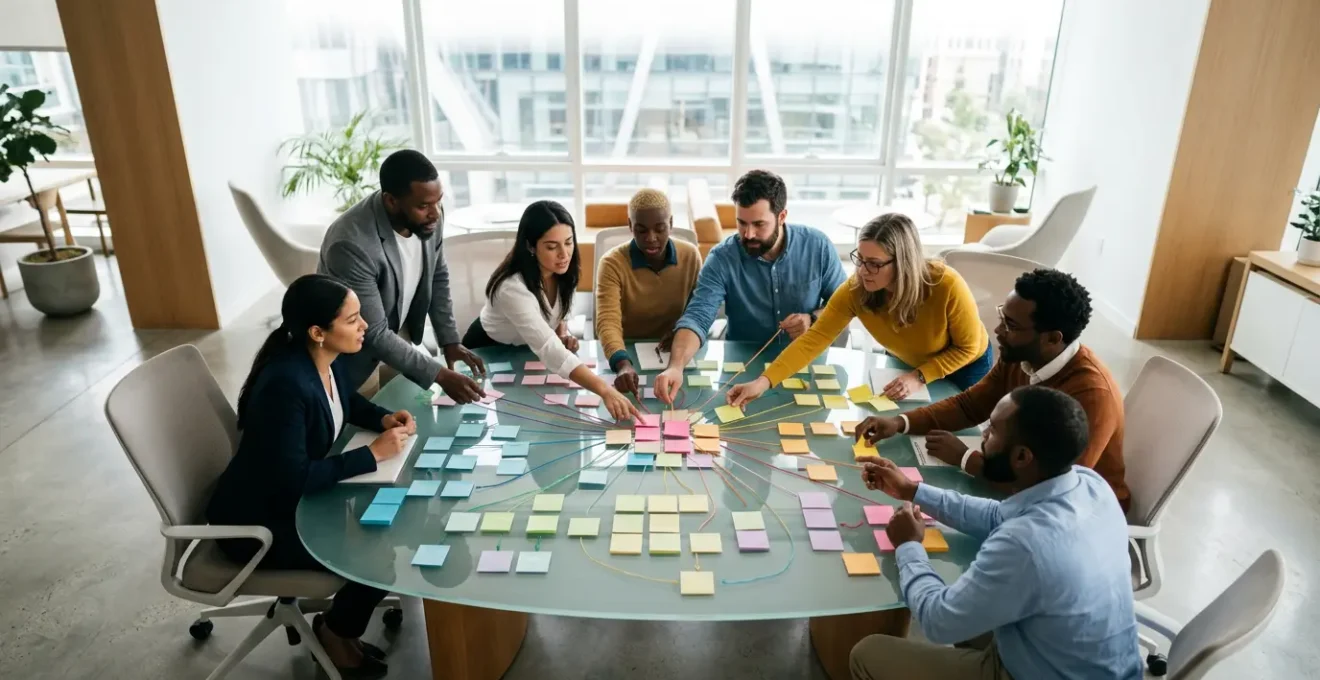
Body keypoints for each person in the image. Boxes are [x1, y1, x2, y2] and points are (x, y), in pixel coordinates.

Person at [852, 386, 1142, 680]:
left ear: (1021, 457)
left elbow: (937, 622)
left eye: (993, 430)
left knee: (867, 654)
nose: (984, 435)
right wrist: (912, 491)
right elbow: (995, 514)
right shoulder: (1088, 483)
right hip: (1087, 659)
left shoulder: (1026, 544)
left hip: (1040, 673)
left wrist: (909, 546)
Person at [207, 274, 414, 678]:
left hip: (296, 499)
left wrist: (382, 417)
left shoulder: (322, 360)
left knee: (392, 522)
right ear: (318, 331)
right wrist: (371, 455)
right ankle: (334, 633)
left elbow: (346, 401)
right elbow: (294, 479)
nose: (364, 326)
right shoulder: (285, 386)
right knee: (376, 549)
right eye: (353, 320)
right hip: (260, 521)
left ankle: (342, 628)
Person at [855, 268, 1130, 509]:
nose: (997, 331)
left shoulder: (1093, 396)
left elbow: (1055, 490)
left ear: (1052, 339)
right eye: (1002, 316)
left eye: (1011, 325)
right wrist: (900, 422)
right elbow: (969, 405)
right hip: (1017, 486)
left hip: (1079, 513)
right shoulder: (1021, 355)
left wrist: (967, 460)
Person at [726, 213, 990, 407]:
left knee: (954, 430)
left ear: (903, 263)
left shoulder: (946, 284)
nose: (863, 271)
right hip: (907, 361)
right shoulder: (857, 288)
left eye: (874, 263)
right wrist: (761, 382)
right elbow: (813, 340)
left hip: (964, 365)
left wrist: (920, 376)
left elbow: (967, 348)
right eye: (860, 259)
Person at [655, 170, 847, 405]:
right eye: (741, 223)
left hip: (805, 366)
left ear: (782, 216)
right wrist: (675, 367)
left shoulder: (817, 246)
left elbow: (843, 309)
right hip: (742, 370)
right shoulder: (722, 257)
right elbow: (698, 316)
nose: (748, 234)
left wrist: (812, 319)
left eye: (759, 224)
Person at [319, 149, 486, 401]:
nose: (436, 213)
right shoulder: (351, 244)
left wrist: (449, 341)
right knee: (362, 427)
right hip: (353, 355)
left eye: (438, 201)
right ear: (391, 201)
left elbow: (437, 277)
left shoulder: (430, 216)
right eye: (424, 206)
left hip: (396, 333)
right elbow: (373, 333)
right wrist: (439, 375)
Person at [462, 200, 641, 421]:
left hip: (527, 349)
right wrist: (604, 390)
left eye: (568, 242)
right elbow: (548, 347)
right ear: (530, 246)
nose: (564, 254)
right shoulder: (512, 288)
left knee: (540, 410)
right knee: (510, 418)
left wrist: (562, 332)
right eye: (551, 246)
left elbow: (558, 311)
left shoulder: (563, 269)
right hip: (487, 352)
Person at [594, 188, 702, 398]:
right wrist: (622, 363)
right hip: (627, 352)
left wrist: (682, 331)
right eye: (641, 230)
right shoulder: (611, 263)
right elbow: (607, 321)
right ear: (630, 226)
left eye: (660, 229)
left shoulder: (690, 256)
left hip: (677, 353)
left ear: (670, 224)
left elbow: (698, 309)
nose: (651, 238)